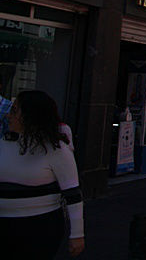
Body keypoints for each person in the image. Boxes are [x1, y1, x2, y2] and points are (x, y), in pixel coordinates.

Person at [0, 90, 85, 258]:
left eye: (15, 111)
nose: (9, 115)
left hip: (39, 227)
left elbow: (73, 194)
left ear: (31, 115)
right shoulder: (4, 143)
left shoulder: (56, 149)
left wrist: (77, 234)